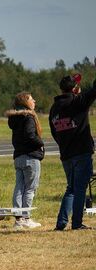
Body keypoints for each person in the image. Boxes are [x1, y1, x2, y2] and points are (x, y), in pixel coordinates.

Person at [49, 74, 96, 231]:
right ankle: (76, 223)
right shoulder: (78, 101)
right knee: (80, 188)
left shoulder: (54, 108)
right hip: (81, 152)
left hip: (66, 154)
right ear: (75, 88)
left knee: (71, 188)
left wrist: (64, 144)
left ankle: (61, 223)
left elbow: (54, 131)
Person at [6, 92, 45, 229]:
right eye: (31, 99)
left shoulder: (15, 119)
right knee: (30, 188)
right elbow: (30, 135)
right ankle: (26, 218)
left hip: (19, 157)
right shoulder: (28, 117)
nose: (34, 100)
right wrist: (40, 143)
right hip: (30, 157)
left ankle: (18, 220)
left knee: (19, 187)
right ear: (25, 102)